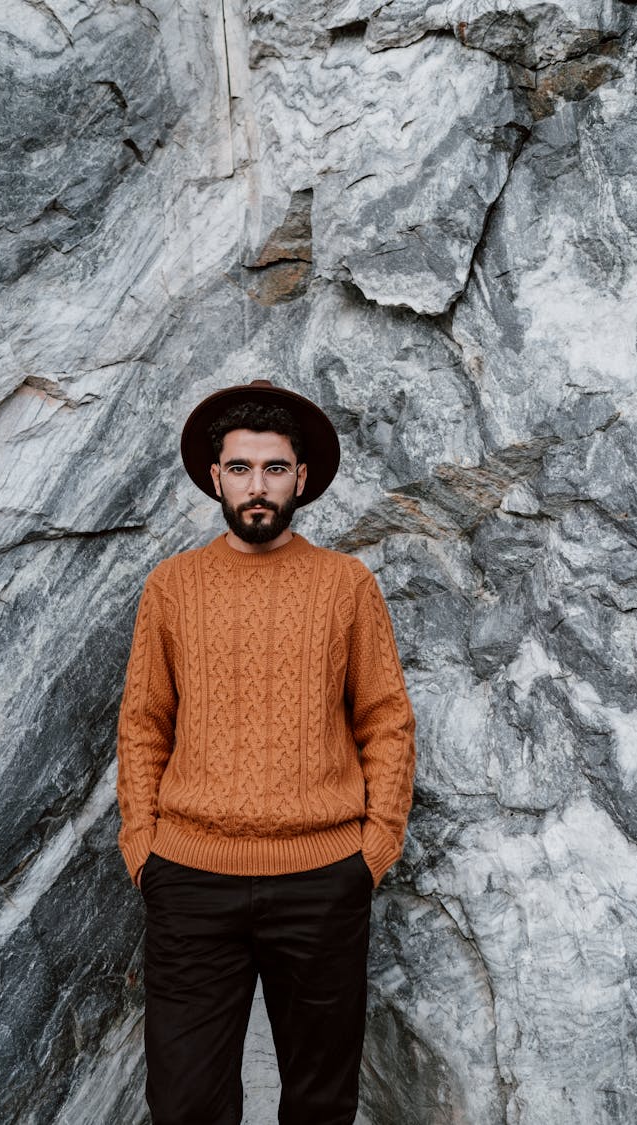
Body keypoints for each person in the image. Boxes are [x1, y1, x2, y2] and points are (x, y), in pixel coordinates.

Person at [116, 379, 416, 1125]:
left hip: (322, 882)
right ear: (215, 476)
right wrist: (142, 847)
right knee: (185, 1103)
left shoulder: (346, 584)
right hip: (188, 881)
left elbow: (387, 720)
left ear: (302, 479)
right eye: (242, 467)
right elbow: (142, 724)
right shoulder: (172, 586)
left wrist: (372, 850)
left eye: (275, 468)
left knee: (320, 1102)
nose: (258, 485)